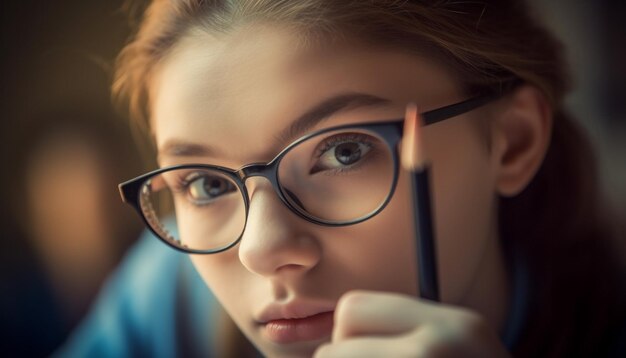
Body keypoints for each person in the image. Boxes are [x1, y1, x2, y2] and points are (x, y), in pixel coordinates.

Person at [57, 0, 626, 357]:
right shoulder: (172, 290)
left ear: (513, 141)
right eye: (207, 185)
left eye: (345, 151)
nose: (261, 250)